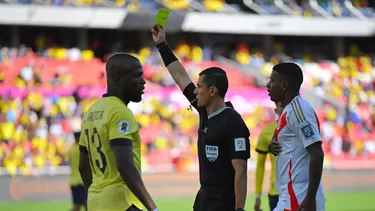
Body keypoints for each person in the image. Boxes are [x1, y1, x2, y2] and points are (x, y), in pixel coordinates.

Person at [152, 24, 250, 211]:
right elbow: (180, 76)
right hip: (204, 198)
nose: (194, 91)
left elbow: (241, 171)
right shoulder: (204, 110)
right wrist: (162, 44)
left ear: (212, 91)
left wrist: (239, 209)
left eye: (199, 87)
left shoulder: (233, 122)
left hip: (223, 202)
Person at [78, 53, 158, 211]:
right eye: (137, 76)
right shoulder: (120, 112)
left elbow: (83, 166)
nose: (143, 81)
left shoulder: (91, 112)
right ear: (119, 78)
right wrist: (153, 209)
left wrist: (97, 193)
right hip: (122, 203)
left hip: (95, 203)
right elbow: (125, 165)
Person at [266, 62, 325, 211]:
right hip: (291, 194)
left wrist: (310, 198)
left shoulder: (299, 111)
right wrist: (271, 146)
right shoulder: (289, 109)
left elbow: (317, 153)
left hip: (299, 196)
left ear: (284, 86)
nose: (268, 85)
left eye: (272, 80)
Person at [254, 102, 284, 211]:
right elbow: (260, 166)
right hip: (276, 191)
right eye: (281, 105)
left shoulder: (299, 128)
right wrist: (257, 196)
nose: (285, 108)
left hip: (297, 190)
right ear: (276, 110)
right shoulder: (266, 131)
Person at [68, 131, 87, 211]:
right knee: (87, 205)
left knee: (76, 205)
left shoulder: (71, 149)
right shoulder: (81, 149)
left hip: (73, 181)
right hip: (82, 181)